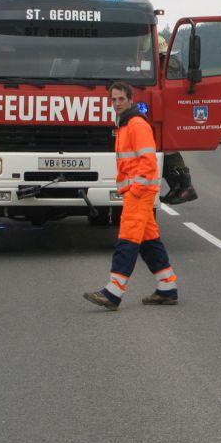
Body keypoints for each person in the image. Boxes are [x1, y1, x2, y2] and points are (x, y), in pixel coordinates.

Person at [84, 82, 178, 310]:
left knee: (127, 239)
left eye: (121, 100)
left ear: (130, 100)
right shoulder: (125, 124)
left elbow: (148, 163)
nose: (117, 104)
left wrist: (135, 190)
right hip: (135, 191)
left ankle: (113, 292)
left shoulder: (136, 124)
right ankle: (167, 288)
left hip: (140, 192)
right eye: (113, 100)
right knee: (148, 241)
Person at [157, 36, 197, 205]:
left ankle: (186, 188)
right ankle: (176, 187)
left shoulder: (169, 66)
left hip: (170, 112)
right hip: (167, 111)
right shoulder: (168, 64)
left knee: (169, 149)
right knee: (164, 150)